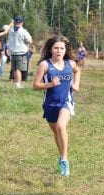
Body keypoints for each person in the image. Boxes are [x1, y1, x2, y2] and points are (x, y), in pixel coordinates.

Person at [32, 35, 81, 176]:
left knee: (61, 126)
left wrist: (76, 84)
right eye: (56, 48)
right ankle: (61, 156)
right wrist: (50, 84)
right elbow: (35, 85)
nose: (59, 51)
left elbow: (78, 70)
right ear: (51, 50)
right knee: (56, 132)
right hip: (50, 104)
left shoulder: (70, 64)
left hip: (66, 101)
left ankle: (65, 160)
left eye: (62, 48)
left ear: (65, 50)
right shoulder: (45, 65)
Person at [8, 15, 32, 88]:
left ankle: (16, 83)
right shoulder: (23, 31)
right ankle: (18, 84)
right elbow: (30, 41)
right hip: (21, 53)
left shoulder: (11, 30)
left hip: (13, 52)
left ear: (14, 22)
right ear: (22, 22)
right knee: (19, 69)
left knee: (15, 69)